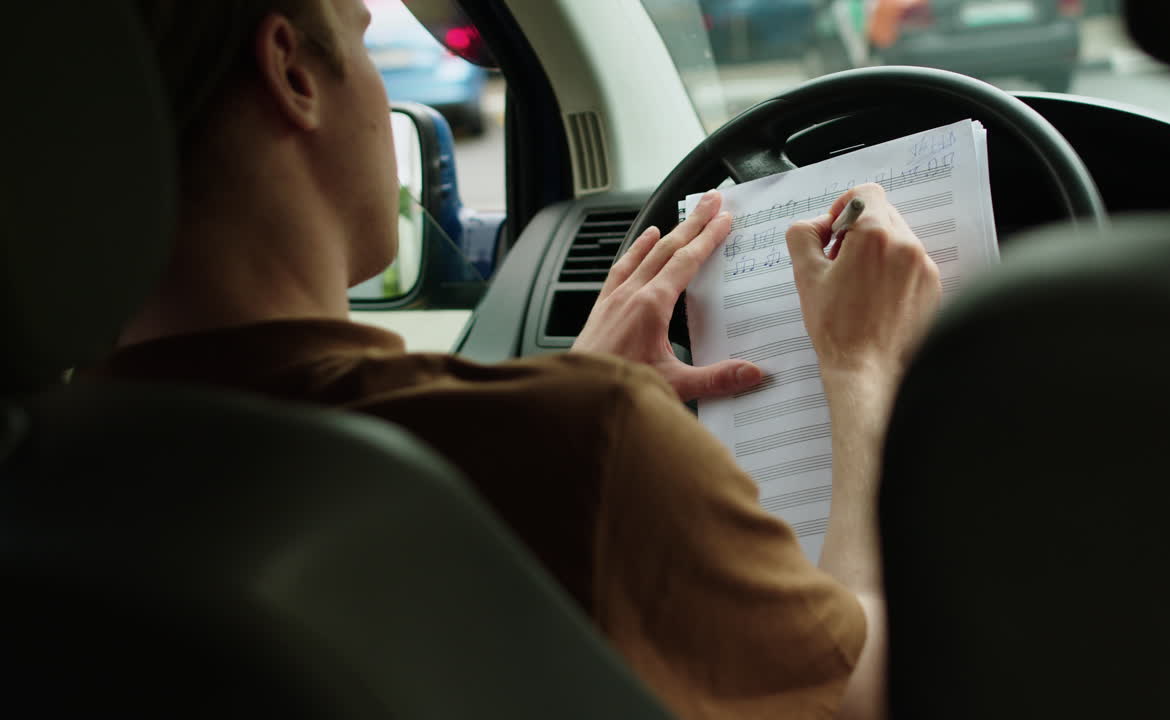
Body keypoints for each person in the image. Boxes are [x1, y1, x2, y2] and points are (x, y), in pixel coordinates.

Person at [91, 2, 940, 718]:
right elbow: (862, 689)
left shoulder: (59, 469)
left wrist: (569, 387)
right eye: (357, 35)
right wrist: (867, 367)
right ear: (294, 72)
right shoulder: (585, 445)